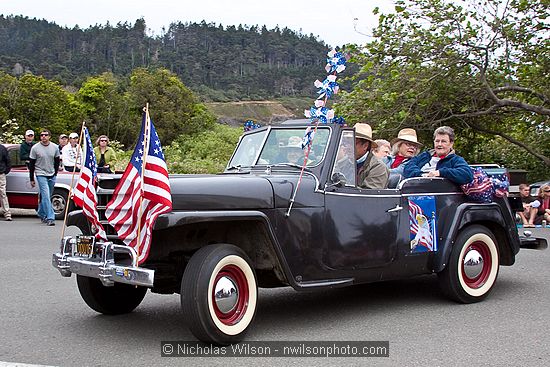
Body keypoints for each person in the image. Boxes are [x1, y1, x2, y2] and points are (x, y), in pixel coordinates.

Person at [403, 126, 473, 185]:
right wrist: (421, 175)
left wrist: (440, 173)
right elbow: (408, 167)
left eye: (443, 141)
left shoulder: (455, 160)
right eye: (437, 141)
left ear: (451, 143)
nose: (439, 144)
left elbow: (467, 175)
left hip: (439, 195)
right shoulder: (425, 156)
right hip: (415, 190)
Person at [29, 128, 60, 226]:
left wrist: (55, 173)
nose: (43, 137)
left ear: (49, 137)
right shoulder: (35, 148)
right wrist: (31, 178)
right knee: (46, 195)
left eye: (46, 135)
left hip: (51, 173)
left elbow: (57, 161)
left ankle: (41, 212)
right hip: (40, 173)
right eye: (42, 135)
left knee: (48, 196)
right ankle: (50, 217)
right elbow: (31, 164)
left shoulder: (55, 147)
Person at [354, 123, 389, 189]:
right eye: (346, 141)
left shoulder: (378, 167)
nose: (346, 145)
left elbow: (369, 194)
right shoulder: (343, 163)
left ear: (365, 146)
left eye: (352, 142)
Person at [0, 142, 12, 221]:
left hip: (1, 173)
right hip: (1, 173)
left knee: (3, 193)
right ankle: (7, 213)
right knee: (3, 194)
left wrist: (5, 171)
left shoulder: (2, 149)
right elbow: (8, 162)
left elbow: (8, 161)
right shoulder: (3, 148)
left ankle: (7, 213)